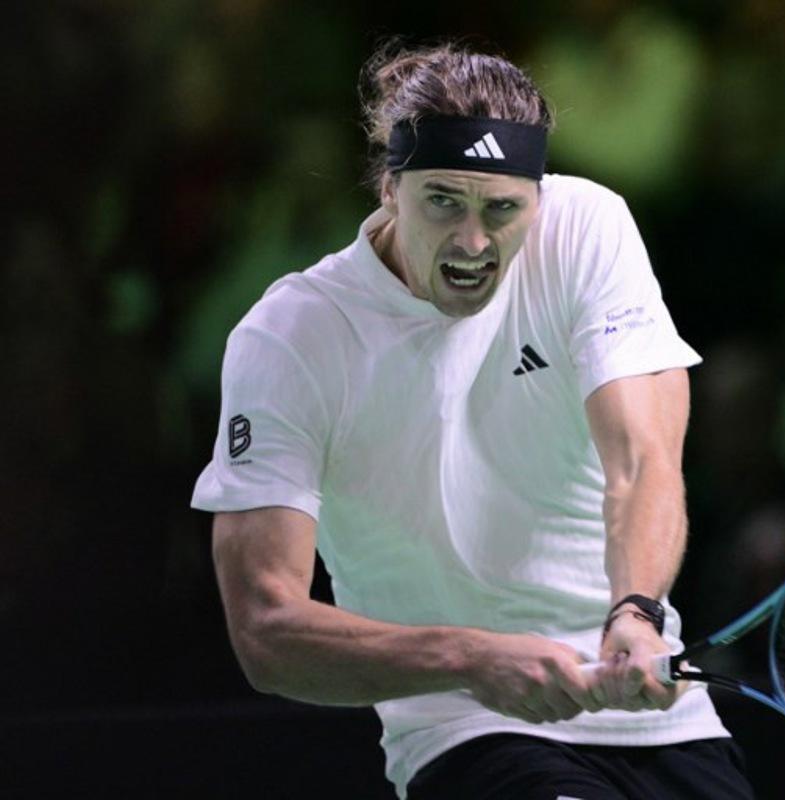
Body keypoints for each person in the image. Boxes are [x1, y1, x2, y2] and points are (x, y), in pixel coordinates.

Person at [192, 41, 754, 799]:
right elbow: (267, 632)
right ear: (390, 188)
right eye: (444, 200)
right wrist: (469, 658)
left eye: (502, 208)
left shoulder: (586, 230)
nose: (472, 241)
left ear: (536, 199)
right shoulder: (292, 336)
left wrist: (636, 611)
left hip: (662, 720)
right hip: (468, 732)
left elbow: (643, 460)